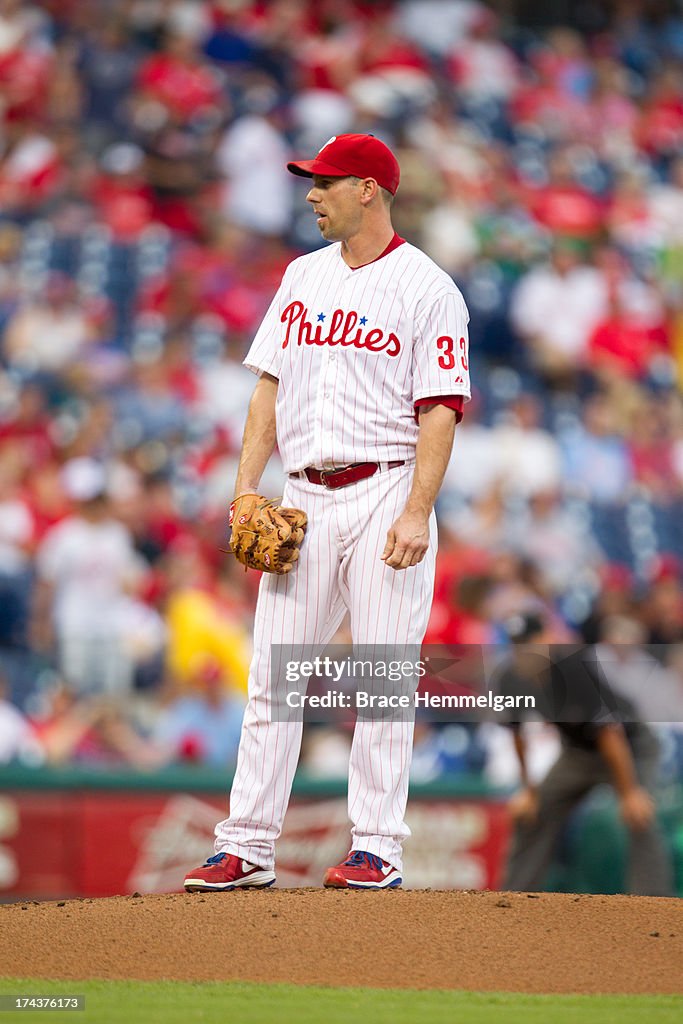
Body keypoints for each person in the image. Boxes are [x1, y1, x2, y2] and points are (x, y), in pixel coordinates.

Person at [184, 133, 471, 892]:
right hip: (303, 496)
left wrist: (416, 512)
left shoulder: (426, 286)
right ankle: (245, 844)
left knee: (379, 678)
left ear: (368, 190)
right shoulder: (301, 276)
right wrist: (248, 487)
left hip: (386, 489)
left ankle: (376, 846)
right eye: (310, 182)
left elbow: (440, 408)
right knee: (273, 678)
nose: (310, 194)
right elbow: (268, 388)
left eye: (325, 182)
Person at [497, 612, 673, 896]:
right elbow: (517, 735)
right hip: (577, 753)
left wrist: (629, 793)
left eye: (530, 642)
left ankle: (654, 903)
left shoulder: (572, 667)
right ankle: (513, 897)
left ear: (547, 638)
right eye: (518, 644)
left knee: (639, 814)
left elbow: (610, 733)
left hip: (631, 747)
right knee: (535, 812)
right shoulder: (511, 677)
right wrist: (528, 790)